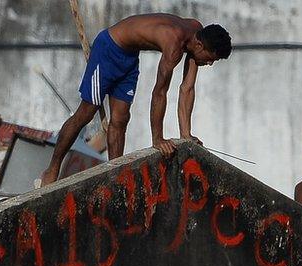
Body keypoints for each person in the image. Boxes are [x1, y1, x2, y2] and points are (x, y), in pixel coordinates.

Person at [40, 15, 231, 185]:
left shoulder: (198, 31)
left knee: (121, 119)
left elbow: (187, 88)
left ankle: (114, 174)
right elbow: (159, 92)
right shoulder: (174, 44)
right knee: (85, 114)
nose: (210, 63)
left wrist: (186, 135)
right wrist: (158, 139)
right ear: (200, 46)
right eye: (210, 58)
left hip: (129, 58)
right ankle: (52, 169)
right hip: (108, 49)